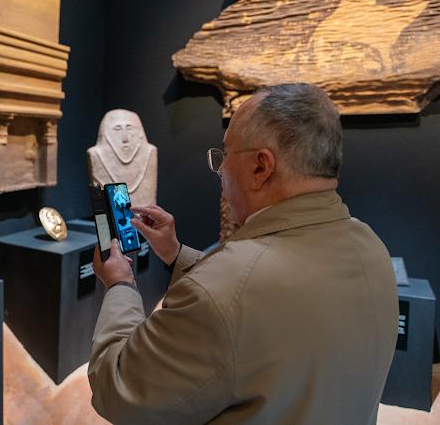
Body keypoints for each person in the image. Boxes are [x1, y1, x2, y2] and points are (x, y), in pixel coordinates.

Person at [88, 83, 398, 424]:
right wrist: (175, 253)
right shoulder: (372, 247)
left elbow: (117, 389)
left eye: (225, 154)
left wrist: (120, 285)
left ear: (261, 167)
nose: (220, 170)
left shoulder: (224, 290)